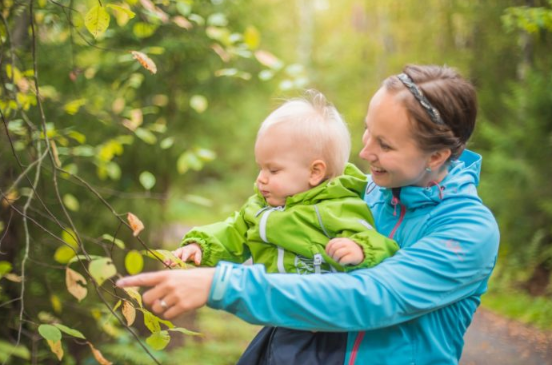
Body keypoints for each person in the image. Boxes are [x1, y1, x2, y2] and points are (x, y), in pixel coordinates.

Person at [117, 64, 500, 365]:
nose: (365, 153)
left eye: (384, 144)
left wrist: (223, 285)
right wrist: (208, 248)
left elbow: (373, 297)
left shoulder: (467, 231)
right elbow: (256, 225)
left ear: (437, 156)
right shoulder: (364, 190)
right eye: (367, 132)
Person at [169, 91, 398, 276]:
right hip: (279, 315)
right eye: (261, 167)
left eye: (273, 170)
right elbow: (232, 233)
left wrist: (359, 250)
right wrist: (200, 246)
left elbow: (378, 243)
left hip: (322, 322)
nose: (261, 178)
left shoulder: (338, 207)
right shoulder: (260, 209)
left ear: (315, 172)